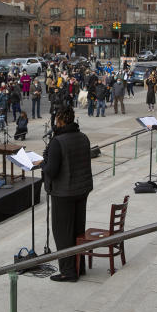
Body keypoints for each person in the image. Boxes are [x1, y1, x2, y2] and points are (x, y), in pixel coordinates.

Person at [41, 106, 93, 282]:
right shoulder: (83, 137)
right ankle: (80, 266)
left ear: (59, 121)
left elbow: (52, 170)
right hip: (82, 189)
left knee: (63, 233)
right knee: (78, 229)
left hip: (64, 192)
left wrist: (42, 164)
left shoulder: (58, 141)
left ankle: (68, 271)